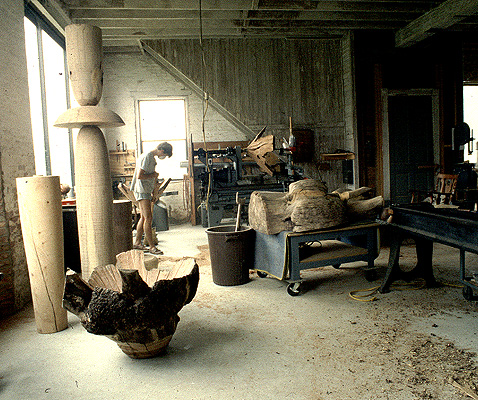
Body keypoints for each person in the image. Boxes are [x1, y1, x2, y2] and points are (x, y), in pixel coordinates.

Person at [130, 142, 173, 255]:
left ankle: (137, 243)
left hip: (146, 190)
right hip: (141, 190)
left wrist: (154, 192)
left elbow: (152, 177)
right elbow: (140, 176)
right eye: (165, 155)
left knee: (144, 218)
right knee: (148, 218)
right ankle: (152, 247)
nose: (164, 157)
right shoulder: (147, 157)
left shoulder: (152, 158)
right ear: (162, 151)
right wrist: (153, 175)